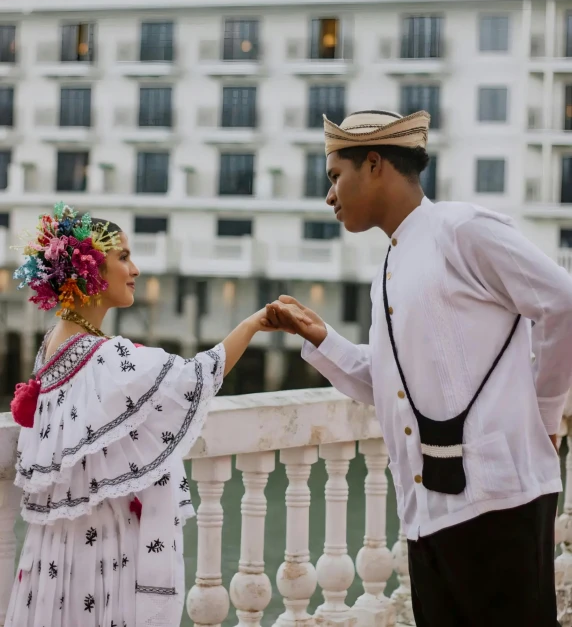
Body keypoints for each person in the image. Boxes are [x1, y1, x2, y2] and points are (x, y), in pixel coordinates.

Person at [265, 109, 572, 626]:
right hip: (428, 511)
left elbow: (562, 303)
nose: (330, 195)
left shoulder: (463, 229)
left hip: (500, 501)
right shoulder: (386, 268)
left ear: (375, 163)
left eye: (336, 176)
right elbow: (389, 383)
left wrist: (543, 418)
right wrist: (322, 339)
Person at [6, 202, 306, 627]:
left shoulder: (53, 343)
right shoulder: (106, 356)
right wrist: (253, 324)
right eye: (123, 257)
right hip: (101, 553)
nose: (136, 269)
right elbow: (196, 376)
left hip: (61, 551)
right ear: (89, 269)